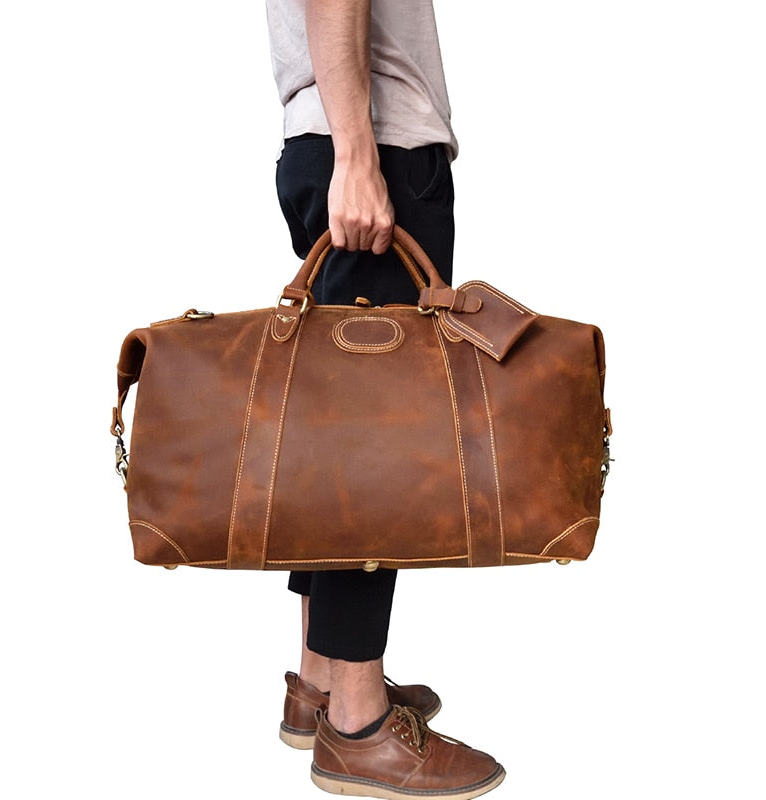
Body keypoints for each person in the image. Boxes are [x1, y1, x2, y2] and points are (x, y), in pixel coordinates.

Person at [265, 2, 505, 797]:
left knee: (336, 437)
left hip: (333, 141)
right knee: (373, 453)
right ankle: (359, 726)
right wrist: (359, 155)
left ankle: (320, 681)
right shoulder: (365, 153)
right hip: (376, 150)